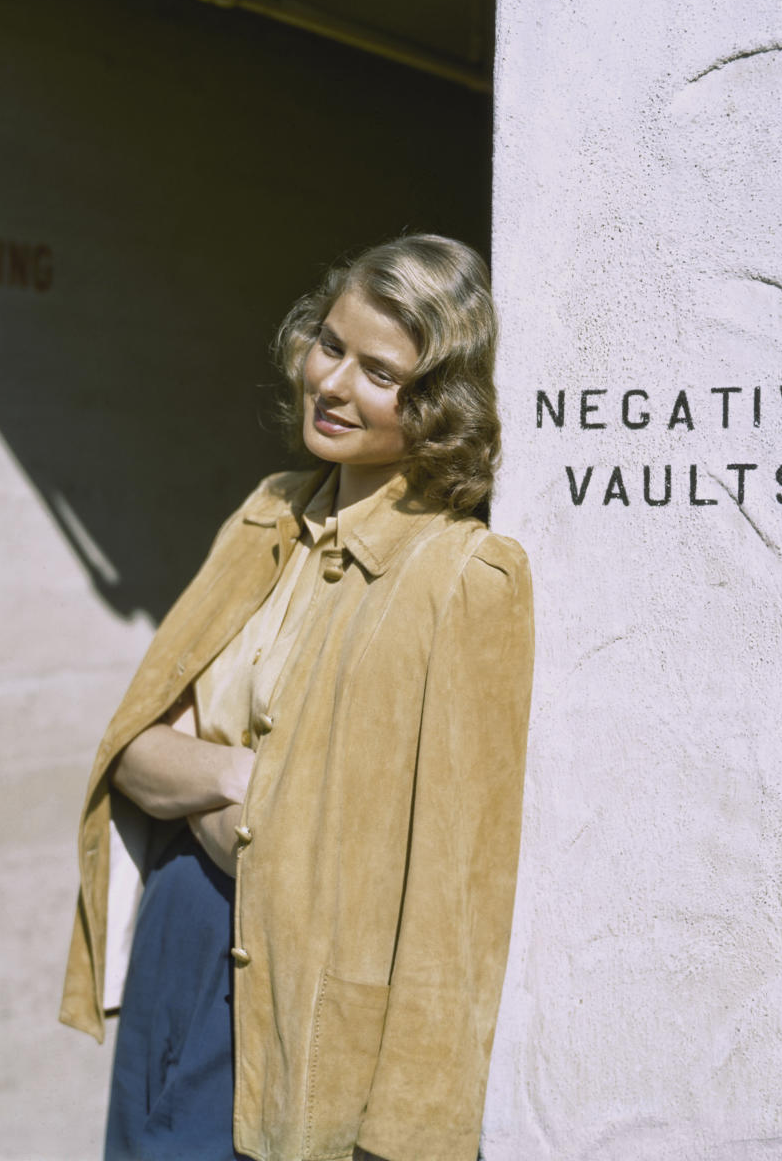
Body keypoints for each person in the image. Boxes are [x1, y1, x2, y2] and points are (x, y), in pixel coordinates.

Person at [59, 233, 535, 1161]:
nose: (335, 384)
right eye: (330, 345)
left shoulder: (463, 577)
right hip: (180, 934)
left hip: (312, 994)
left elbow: (456, 893)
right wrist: (246, 776)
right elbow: (139, 750)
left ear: (441, 401)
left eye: (381, 372)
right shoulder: (268, 512)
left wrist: (414, 1131)